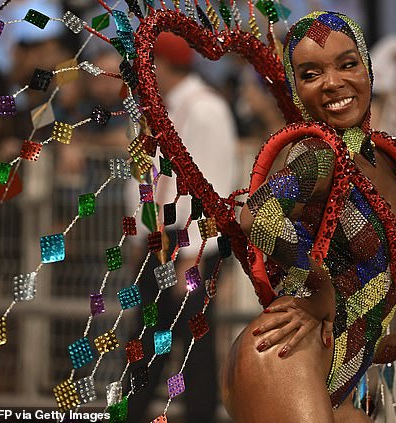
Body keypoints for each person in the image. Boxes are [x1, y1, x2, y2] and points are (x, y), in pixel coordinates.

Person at [221, 11, 396, 422]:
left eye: (348, 64)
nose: (333, 82)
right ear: (296, 90)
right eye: (311, 73)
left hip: (342, 379)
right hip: (284, 356)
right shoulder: (319, 155)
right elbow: (258, 214)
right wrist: (319, 289)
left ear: (368, 68)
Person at [126, 32, 238, 423]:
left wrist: (191, 256)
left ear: (160, 65)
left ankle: (199, 415)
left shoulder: (206, 110)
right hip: (162, 237)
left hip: (188, 241)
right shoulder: (166, 108)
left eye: (147, 63)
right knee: (149, 337)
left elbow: (214, 189)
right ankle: (136, 411)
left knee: (194, 342)